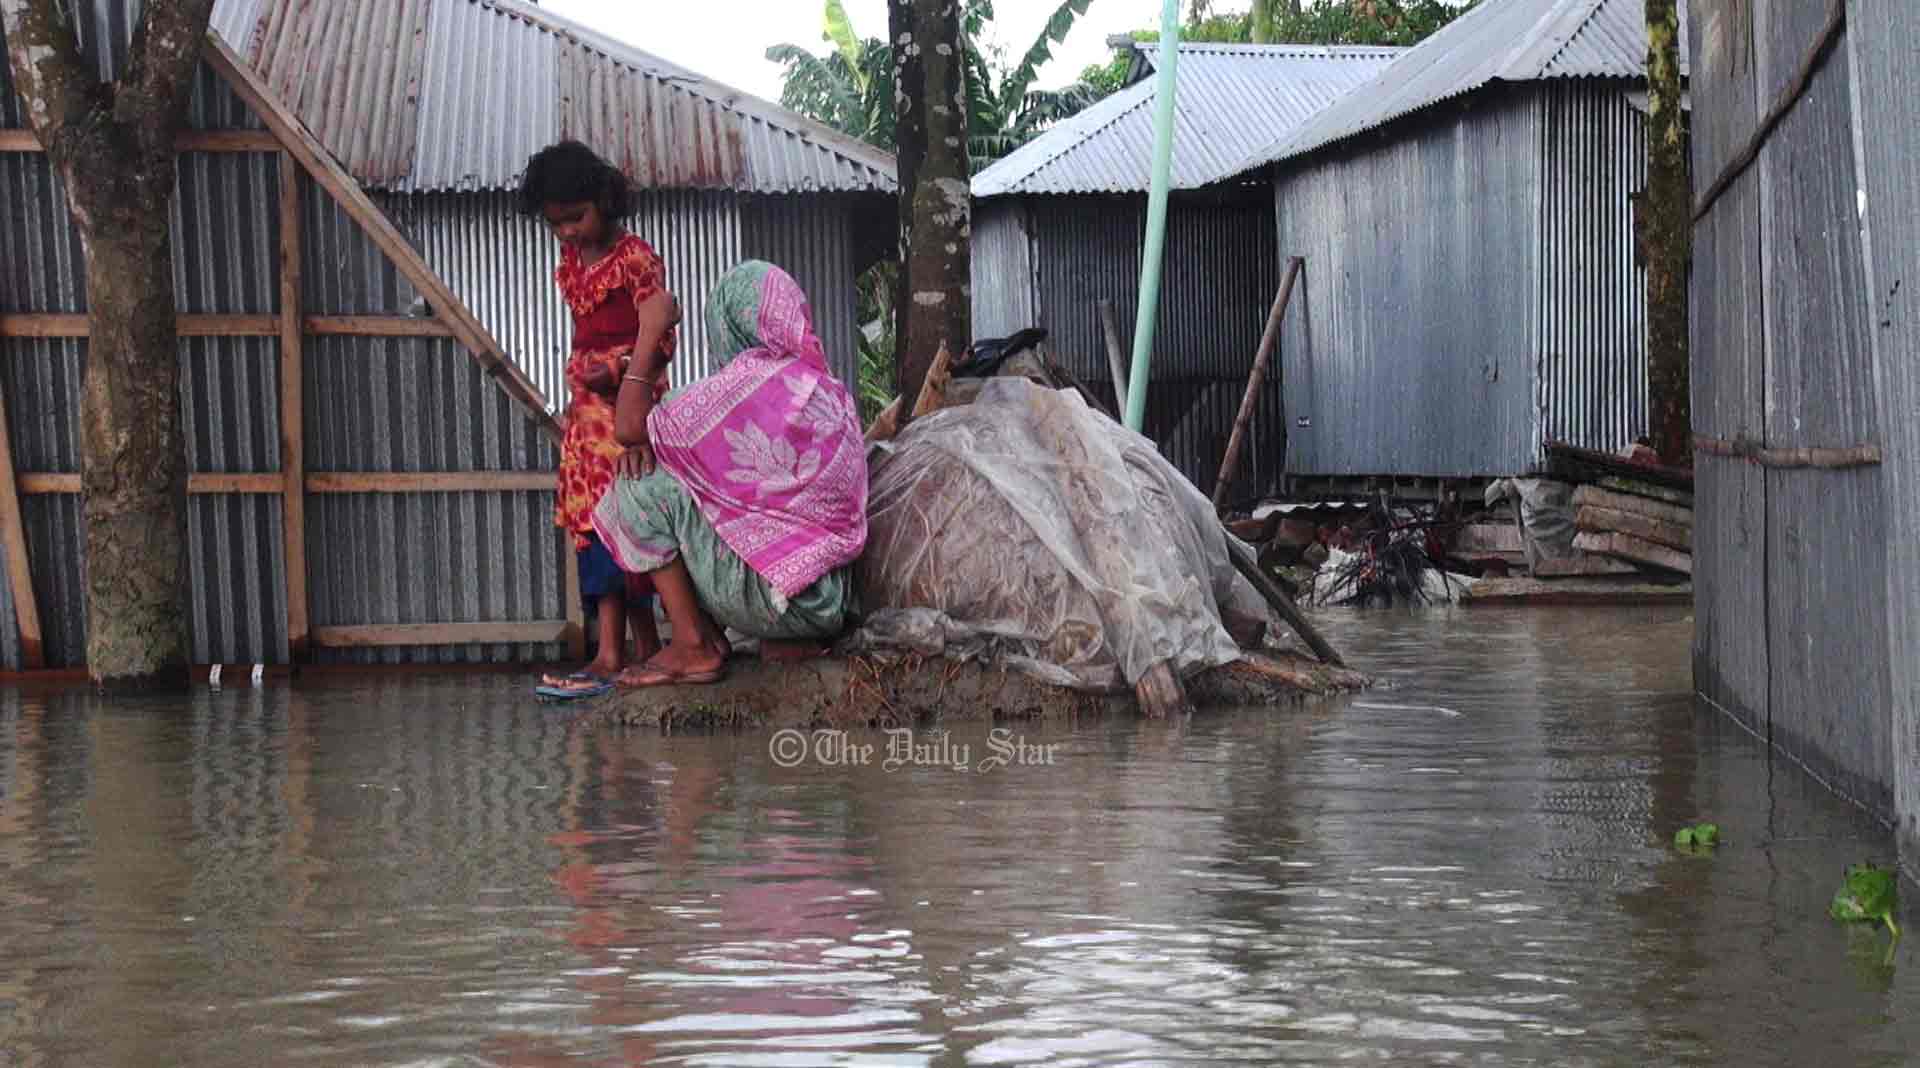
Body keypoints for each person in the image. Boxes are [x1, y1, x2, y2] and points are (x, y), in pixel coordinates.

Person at [591, 260, 868, 688]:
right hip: (827, 604)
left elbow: (628, 429)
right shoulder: (830, 392)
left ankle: (692, 644)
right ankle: (735, 638)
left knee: (639, 483)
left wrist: (649, 333)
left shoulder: (745, 386)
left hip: (775, 602)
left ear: (728, 322)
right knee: (704, 487)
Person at [517, 140, 673, 694]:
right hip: (585, 417)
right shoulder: (570, 262)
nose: (566, 233)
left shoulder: (635, 258)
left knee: (626, 521)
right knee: (590, 527)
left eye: (575, 218)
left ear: (603, 201)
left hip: (627, 409)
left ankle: (633, 648)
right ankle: (615, 650)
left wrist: (621, 370)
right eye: (555, 223)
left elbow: (662, 338)